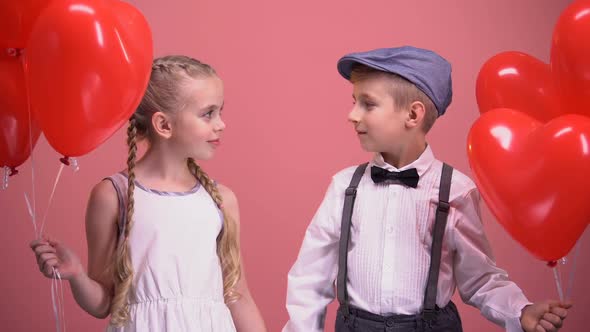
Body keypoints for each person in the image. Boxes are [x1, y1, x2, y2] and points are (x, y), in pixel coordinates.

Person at [283, 46, 571, 332]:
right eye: (354, 101)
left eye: (367, 104)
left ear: (413, 115)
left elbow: (479, 278)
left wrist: (519, 311)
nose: (353, 114)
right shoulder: (345, 187)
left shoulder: (456, 190)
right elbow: (310, 277)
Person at [31, 55, 267, 332]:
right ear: (164, 125)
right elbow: (104, 303)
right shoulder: (112, 195)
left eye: (220, 112)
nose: (221, 124)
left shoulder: (221, 200)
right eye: (208, 113)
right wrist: (76, 275)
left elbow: (238, 296)